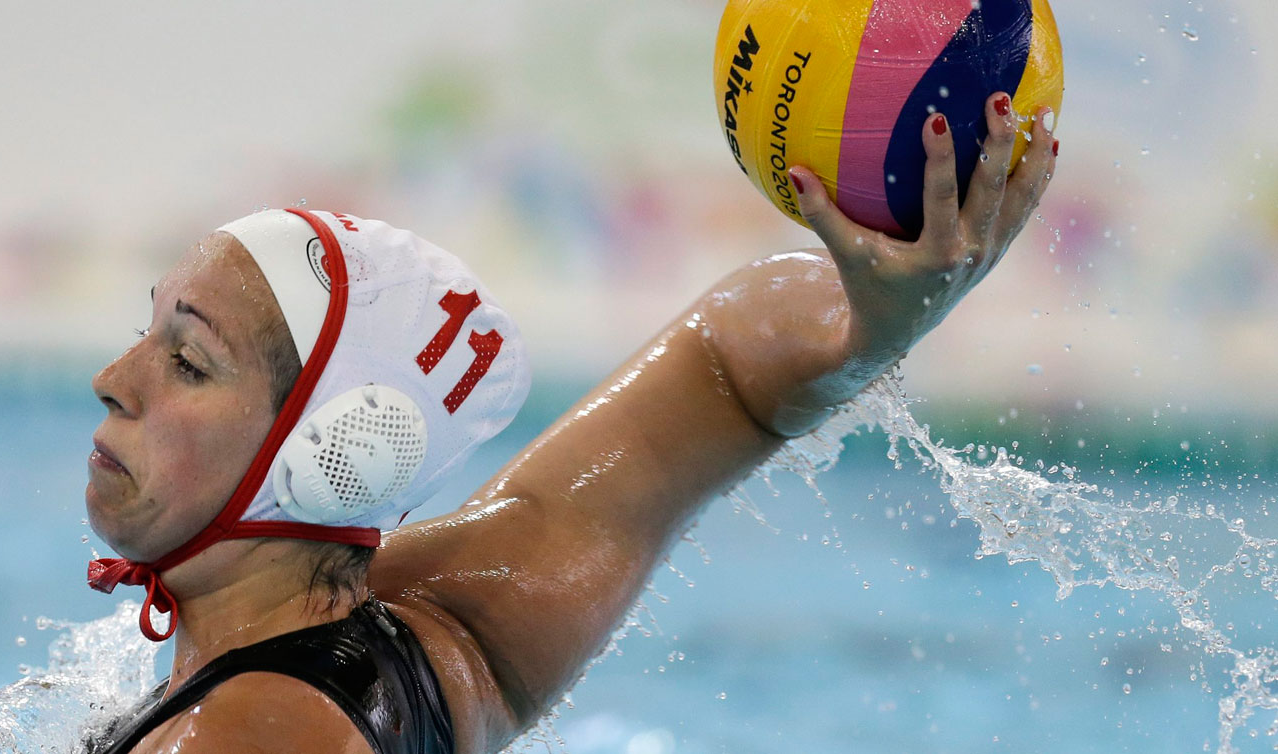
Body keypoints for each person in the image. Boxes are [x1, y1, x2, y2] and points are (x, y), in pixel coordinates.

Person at [83, 93, 1057, 754]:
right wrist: (878, 321)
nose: (112, 380)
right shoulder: (444, 631)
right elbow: (721, 367)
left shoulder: (244, 734)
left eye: (186, 360)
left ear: (333, 454)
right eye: (147, 329)